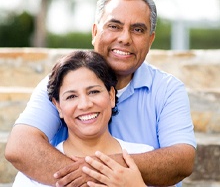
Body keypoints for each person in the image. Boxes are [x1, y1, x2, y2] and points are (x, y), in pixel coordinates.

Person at [5, 0, 196, 187]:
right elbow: (20, 147)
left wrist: (101, 171)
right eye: (114, 26)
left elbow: (181, 160)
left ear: (150, 40)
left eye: (138, 30)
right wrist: (94, 177)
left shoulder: (167, 89)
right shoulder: (62, 82)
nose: (124, 38)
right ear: (95, 32)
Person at [12, 50, 153, 186]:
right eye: (71, 96)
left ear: (111, 96)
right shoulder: (35, 172)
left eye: (93, 92)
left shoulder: (144, 155)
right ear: (58, 106)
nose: (85, 105)